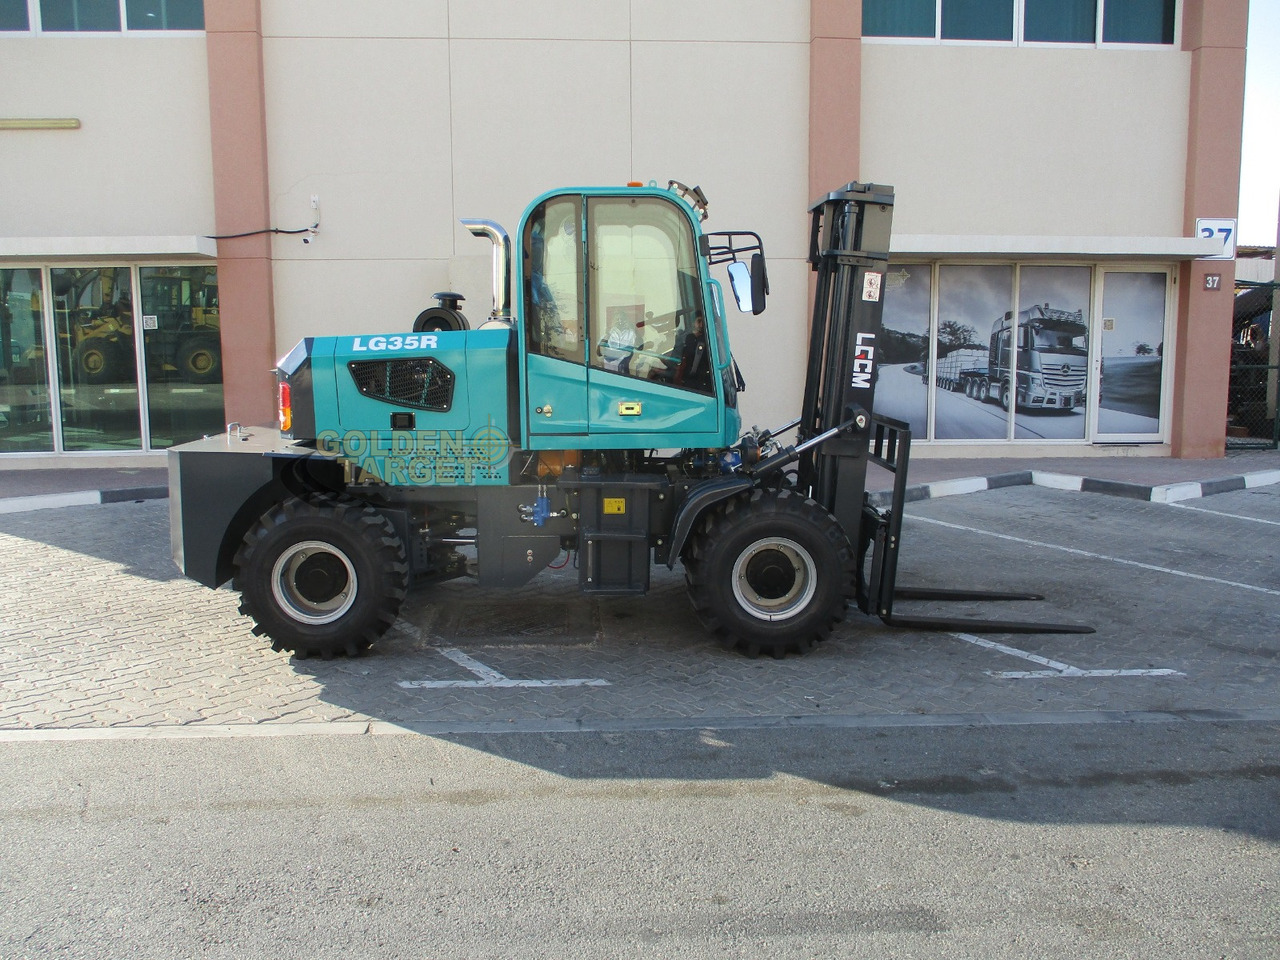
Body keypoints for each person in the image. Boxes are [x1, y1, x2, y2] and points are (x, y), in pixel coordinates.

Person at [675, 314, 713, 392]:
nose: (701, 325)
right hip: (684, 374)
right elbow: (678, 355)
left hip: (700, 378)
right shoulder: (686, 337)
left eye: (703, 322)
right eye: (699, 321)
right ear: (693, 323)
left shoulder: (707, 340)